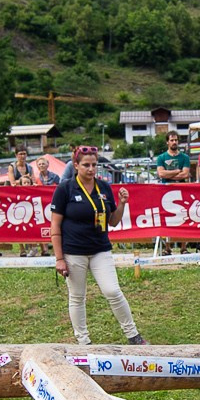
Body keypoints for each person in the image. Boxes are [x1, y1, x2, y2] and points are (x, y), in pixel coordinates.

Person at [50, 145, 144, 345]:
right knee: (77, 297)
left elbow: (113, 221)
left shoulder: (104, 187)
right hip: (74, 252)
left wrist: (122, 204)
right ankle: (83, 341)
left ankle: (133, 335)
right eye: (86, 165)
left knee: (113, 291)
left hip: (100, 249)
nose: (91, 169)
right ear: (76, 165)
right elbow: (55, 226)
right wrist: (59, 259)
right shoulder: (65, 188)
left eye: (94, 164)